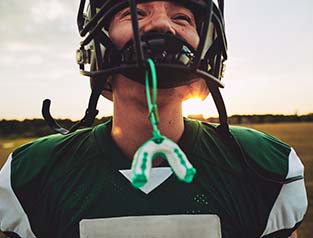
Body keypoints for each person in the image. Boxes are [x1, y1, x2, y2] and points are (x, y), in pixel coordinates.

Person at [0, 0, 307, 237]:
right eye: (138, 12)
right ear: (98, 45)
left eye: (181, 17)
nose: (162, 25)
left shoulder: (263, 168)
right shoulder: (34, 174)